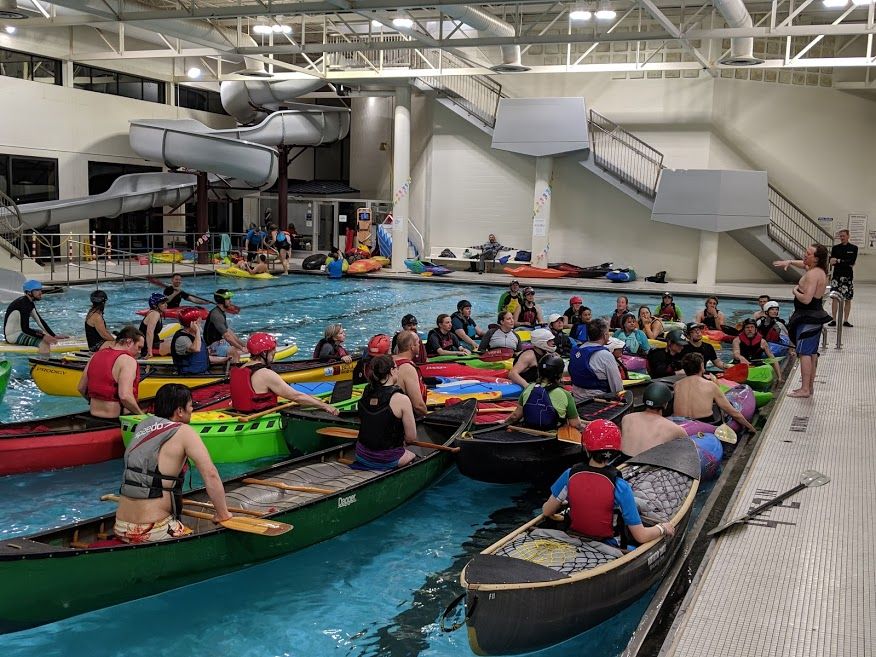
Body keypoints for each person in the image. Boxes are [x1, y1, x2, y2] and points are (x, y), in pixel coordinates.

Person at [114, 384, 232, 544]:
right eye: (191, 405)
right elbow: (210, 474)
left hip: (121, 527)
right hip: (153, 529)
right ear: (180, 411)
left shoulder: (143, 426)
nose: (192, 409)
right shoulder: (184, 431)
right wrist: (223, 514)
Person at [542, 420, 675, 547]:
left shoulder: (569, 474)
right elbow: (641, 536)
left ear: (586, 448)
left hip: (574, 536)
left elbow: (547, 511)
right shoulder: (621, 486)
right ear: (615, 452)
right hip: (608, 545)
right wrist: (662, 528)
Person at [230, 333, 341, 415]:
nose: (275, 353)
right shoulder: (265, 374)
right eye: (272, 351)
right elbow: (296, 396)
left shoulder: (241, 368)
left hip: (241, 413)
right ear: (264, 353)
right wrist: (324, 406)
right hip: (260, 417)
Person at [774, 244, 830, 398]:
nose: (805, 255)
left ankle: (805, 389)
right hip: (813, 315)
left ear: (816, 258)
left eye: (808, 253)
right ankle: (809, 387)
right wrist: (790, 262)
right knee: (811, 353)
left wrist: (795, 291)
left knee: (804, 353)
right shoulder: (817, 270)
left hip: (808, 317)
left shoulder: (813, 275)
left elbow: (806, 299)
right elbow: (803, 264)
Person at [354, 354, 418, 469]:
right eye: (396, 368)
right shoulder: (402, 399)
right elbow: (411, 438)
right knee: (413, 455)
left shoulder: (366, 392)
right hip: (387, 459)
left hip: (361, 455)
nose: (398, 371)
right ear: (392, 371)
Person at [672, 353, 756, 432]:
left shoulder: (677, 385)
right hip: (705, 424)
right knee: (721, 410)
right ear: (702, 366)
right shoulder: (710, 385)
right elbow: (733, 412)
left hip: (680, 424)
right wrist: (750, 427)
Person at [77, 326, 145, 419]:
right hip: (116, 419)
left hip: (93, 417)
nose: (139, 352)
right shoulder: (128, 360)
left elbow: (81, 388)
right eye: (139, 347)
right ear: (129, 342)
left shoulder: (95, 355)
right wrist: (141, 415)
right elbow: (125, 396)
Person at [506, 353, 583, 431]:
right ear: (560, 374)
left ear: (539, 371)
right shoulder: (566, 394)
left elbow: (515, 416)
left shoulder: (528, 388)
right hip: (552, 433)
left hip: (528, 431)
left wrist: (504, 423)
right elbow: (575, 424)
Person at [621, 382, 688, 457]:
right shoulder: (675, 429)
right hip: (647, 463)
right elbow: (688, 451)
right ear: (665, 404)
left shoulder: (626, 418)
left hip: (624, 461)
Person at [3, 279, 68, 355]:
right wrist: (44, 337)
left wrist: (53, 335)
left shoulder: (29, 303)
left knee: (41, 332)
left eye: (40, 290)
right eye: (37, 290)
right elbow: (25, 329)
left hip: (20, 331)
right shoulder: (23, 304)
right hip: (13, 336)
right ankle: (43, 362)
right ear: (29, 292)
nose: (40, 292)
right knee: (44, 343)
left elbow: (40, 321)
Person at [569, 319, 624, 401]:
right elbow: (617, 387)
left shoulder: (577, 350)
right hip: (597, 402)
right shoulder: (605, 355)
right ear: (605, 335)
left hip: (576, 400)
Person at [170, 307, 230, 375]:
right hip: (188, 375)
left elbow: (203, 357)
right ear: (193, 323)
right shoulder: (182, 339)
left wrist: (223, 359)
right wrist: (197, 331)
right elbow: (196, 349)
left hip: (201, 373)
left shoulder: (195, 335)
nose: (201, 320)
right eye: (198, 319)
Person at [732, 318, 783, 383]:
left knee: (768, 368)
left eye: (752, 327)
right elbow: (736, 354)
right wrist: (741, 358)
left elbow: (773, 359)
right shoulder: (737, 340)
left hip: (756, 366)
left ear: (756, 329)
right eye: (747, 327)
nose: (750, 329)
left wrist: (779, 377)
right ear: (744, 329)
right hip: (741, 365)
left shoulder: (762, 342)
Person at [392, 330, 429, 417]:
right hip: (400, 419)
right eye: (418, 342)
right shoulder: (408, 368)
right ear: (412, 346)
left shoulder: (389, 361)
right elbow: (418, 406)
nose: (419, 345)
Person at [204, 289, 244, 363]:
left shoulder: (221, 312)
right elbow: (227, 336)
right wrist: (241, 348)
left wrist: (242, 345)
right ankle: (235, 368)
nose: (230, 301)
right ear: (221, 300)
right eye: (228, 299)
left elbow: (229, 332)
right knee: (233, 351)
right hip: (212, 346)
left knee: (241, 346)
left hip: (220, 342)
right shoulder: (216, 315)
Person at [829, 228, 857, 327]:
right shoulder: (835, 248)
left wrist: (838, 261)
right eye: (840, 236)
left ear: (848, 236)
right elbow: (831, 262)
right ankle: (833, 319)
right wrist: (845, 262)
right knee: (834, 298)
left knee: (848, 299)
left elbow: (852, 262)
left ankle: (845, 320)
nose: (842, 238)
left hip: (847, 276)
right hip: (837, 276)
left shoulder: (853, 248)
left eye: (843, 236)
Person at [138, 293, 167, 358]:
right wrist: (149, 351)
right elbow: (149, 332)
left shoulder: (155, 313)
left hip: (154, 343)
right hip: (147, 348)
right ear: (155, 305)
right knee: (175, 345)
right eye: (163, 303)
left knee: (172, 341)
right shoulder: (155, 314)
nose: (166, 305)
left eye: (165, 302)